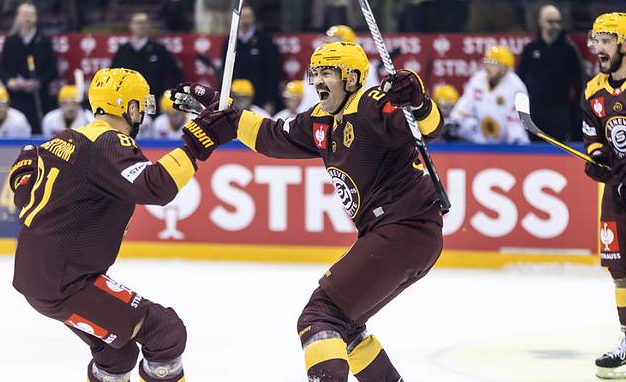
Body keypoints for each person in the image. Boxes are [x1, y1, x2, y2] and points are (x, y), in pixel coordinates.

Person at [172, 41, 444, 382]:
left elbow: (427, 127)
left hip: (404, 229)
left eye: (327, 72)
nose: (318, 80)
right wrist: (217, 105)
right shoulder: (319, 119)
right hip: (399, 234)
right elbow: (271, 136)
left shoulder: (372, 105)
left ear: (352, 78)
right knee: (347, 328)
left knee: (320, 316)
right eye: (314, 72)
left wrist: (416, 100)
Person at [8, 68, 238, 381]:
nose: (143, 112)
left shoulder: (62, 140)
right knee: (165, 332)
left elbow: (22, 187)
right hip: (66, 282)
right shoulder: (108, 143)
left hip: (39, 275)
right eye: (141, 104)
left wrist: (20, 171)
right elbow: (154, 187)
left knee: (117, 353)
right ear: (129, 108)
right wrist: (197, 143)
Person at [582, 12, 626, 381]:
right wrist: (597, 159)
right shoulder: (594, 90)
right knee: (620, 270)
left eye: (606, 40)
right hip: (617, 192)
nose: (598, 47)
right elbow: (593, 135)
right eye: (596, 39)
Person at [518, 4, 584, 142]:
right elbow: (520, 79)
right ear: (541, 22)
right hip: (534, 111)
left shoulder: (569, 50)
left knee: (559, 148)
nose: (555, 25)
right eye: (550, 21)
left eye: (558, 22)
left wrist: (576, 109)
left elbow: (579, 80)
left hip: (560, 111)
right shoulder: (530, 48)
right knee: (533, 149)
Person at [0, 1, 58, 134]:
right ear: (17, 18)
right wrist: (9, 82)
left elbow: (53, 70)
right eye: (24, 15)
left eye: (30, 15)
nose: (27, 18)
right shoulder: (10, 41)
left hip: (38, 98)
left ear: (36, 18)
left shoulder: (44, 41)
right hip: (14, 97)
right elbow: (1, 69)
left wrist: (39, 82)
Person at [450, 45, 530, 144]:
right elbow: (463, 109)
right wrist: (456, 123)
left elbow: (516, 124)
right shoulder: (478, 80)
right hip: (480, 142)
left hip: (506, 144)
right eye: (487, 62)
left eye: (493, 64)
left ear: (504, 67)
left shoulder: (516, 87)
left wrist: (513, 149)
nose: (487, 67)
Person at [298, 24, 381, 113]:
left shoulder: (363, 65)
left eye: (333, 44)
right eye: (327, 43)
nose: (328, 47)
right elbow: (308, 97)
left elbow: (369, 95)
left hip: (349, 116)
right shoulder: (314, 66)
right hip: (319, 117)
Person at [111, 12, 182, 104]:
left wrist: (165, 96)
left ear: (149, 25)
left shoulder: (159, 50)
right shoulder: (123, 51)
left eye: (144, 22)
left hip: (154, 102)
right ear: (131, 25)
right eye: (138, 22)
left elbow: (173, 74)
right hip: (128, 103)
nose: (141, 26)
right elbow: (114, 76)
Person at [224, 4, 281, 115]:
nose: (245, 21)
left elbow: (273, 72)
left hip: (260, 100)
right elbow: (224, 71)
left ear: (253, 18)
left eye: (248, 17)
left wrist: (270, 101)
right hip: (235, 99)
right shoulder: (230, 41)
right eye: (242, 17)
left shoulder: (265, 41)